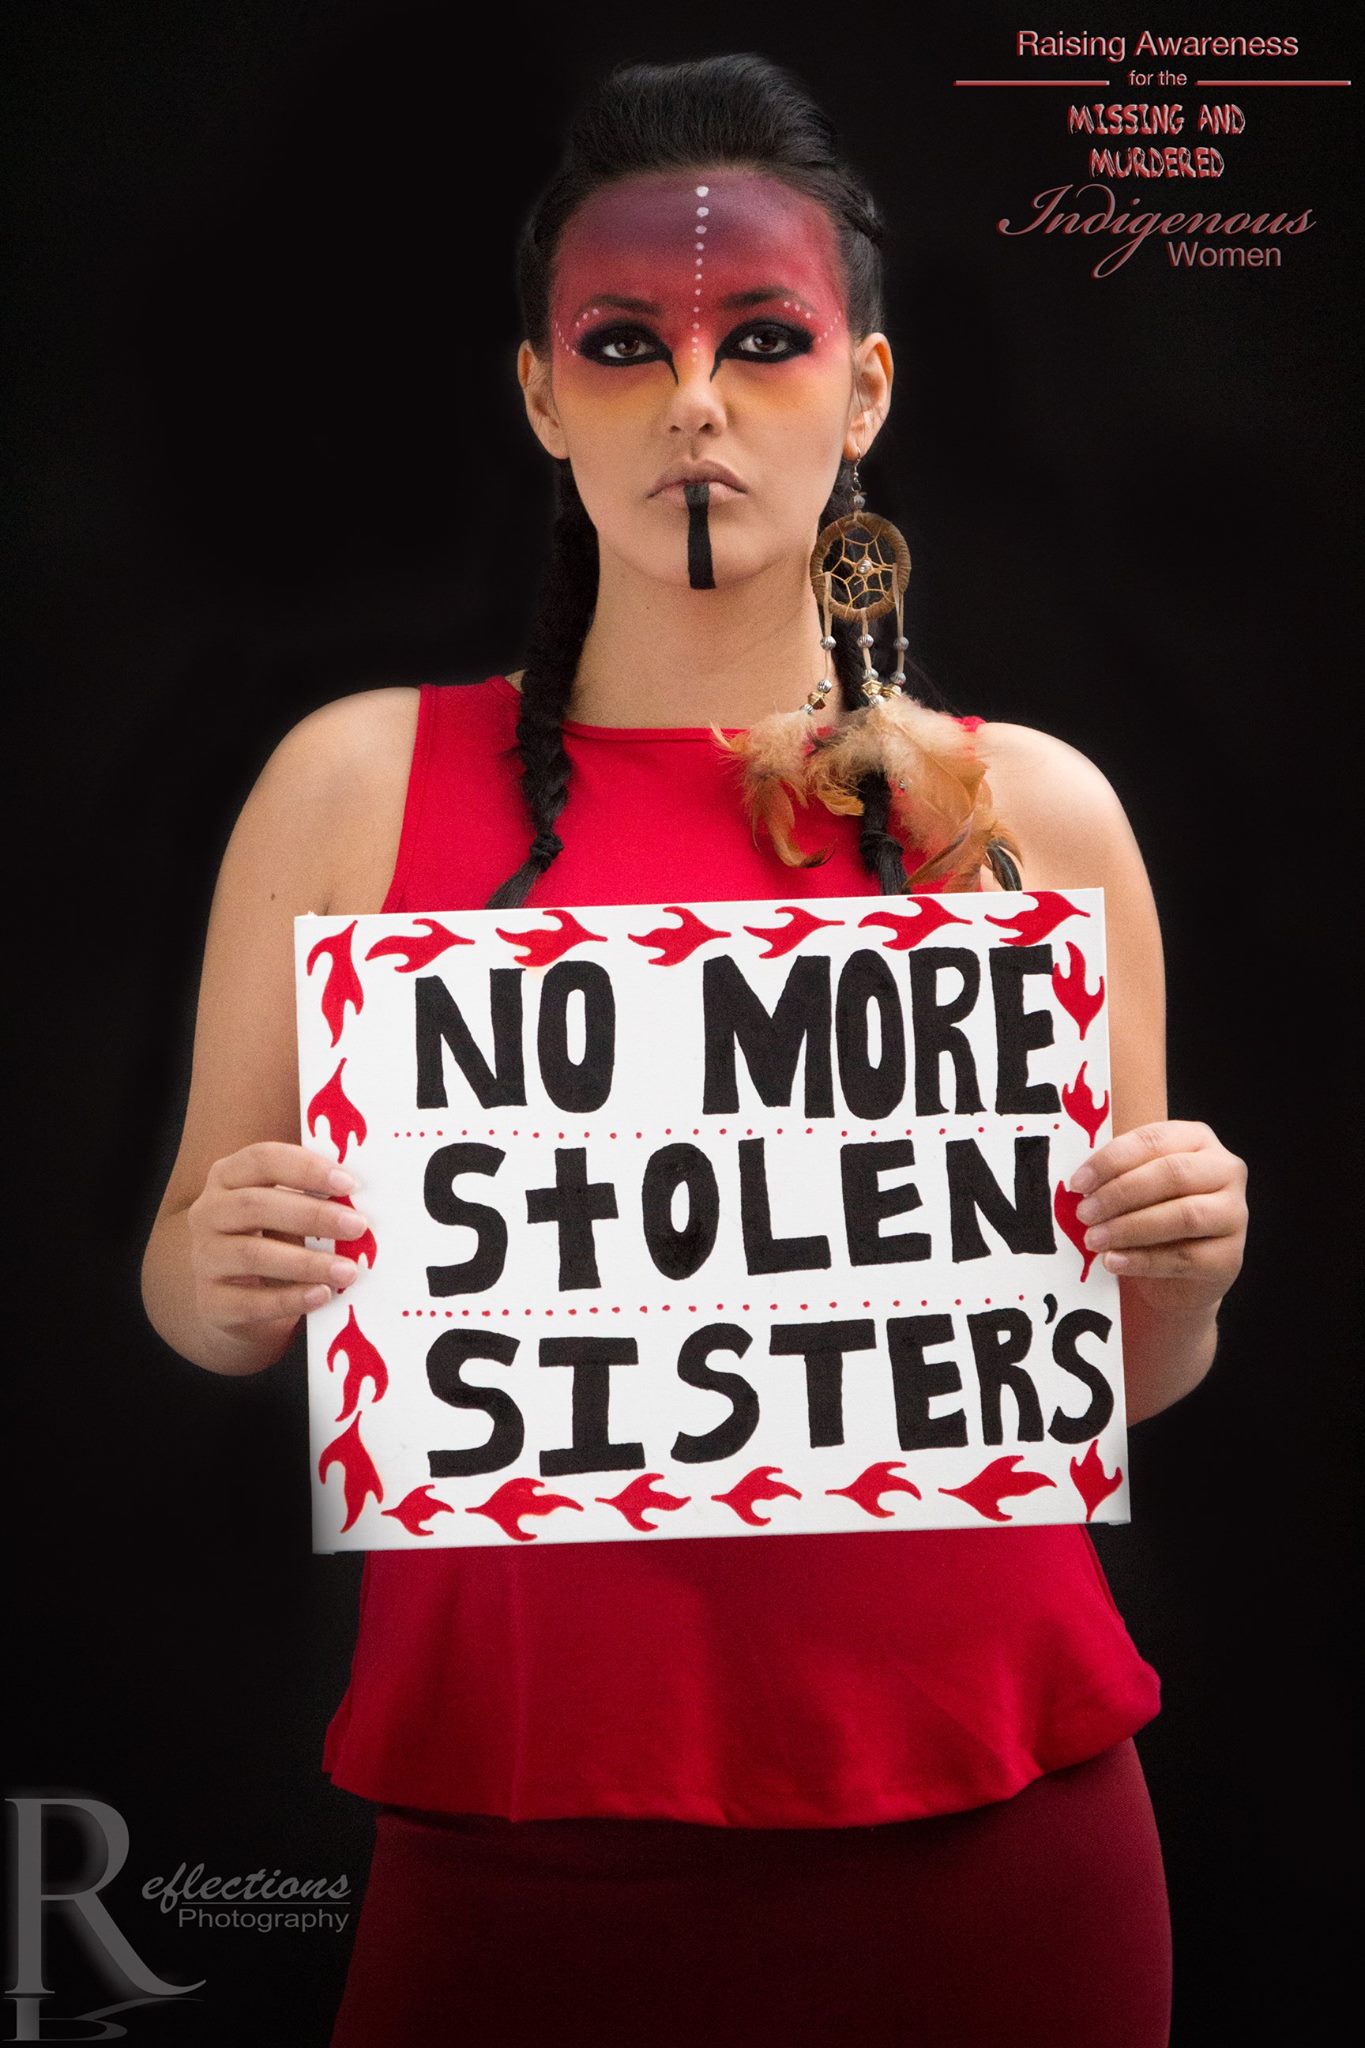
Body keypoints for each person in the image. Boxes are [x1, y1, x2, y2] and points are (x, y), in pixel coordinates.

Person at [140, 52, 1247, 2048]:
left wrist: (1172, 1264)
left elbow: (1121, 1379)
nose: (698, 404)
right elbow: (195, 1295)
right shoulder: (346, 789)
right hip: (507, 1853)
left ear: (869, 389)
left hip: (999, 1845)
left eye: (762, 337)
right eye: (625, 344)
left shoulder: (1038, 820)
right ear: (541, 395)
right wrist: (225, 1270)